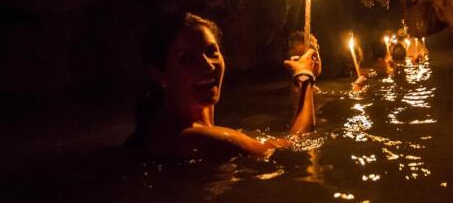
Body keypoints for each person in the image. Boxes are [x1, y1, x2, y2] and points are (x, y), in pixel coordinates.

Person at [127, 12, 320, 160]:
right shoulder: (195, 139)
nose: (207, 65)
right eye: (186, 58)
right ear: (160, 75)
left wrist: (300, 85)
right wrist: (305, 76)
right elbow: (295, 147)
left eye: (211, 51)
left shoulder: (166, 133)